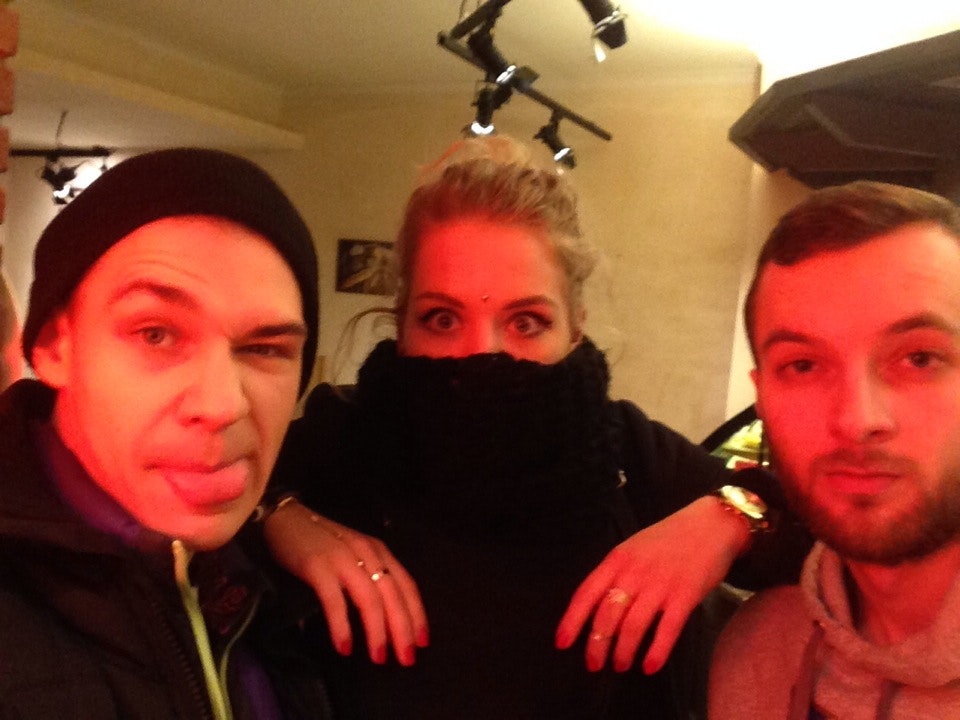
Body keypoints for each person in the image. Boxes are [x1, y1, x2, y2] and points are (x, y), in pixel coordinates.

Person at [261, 136, 803, 719]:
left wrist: (731, 520)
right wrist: (279, 516)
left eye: (525, 321)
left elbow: (828, 536)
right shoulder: (340, 439)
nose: (481, 354)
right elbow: (219, 495)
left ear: (574, 329)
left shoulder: (629, 455)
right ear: (402, 323)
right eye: (442, 319)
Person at [0, 148, 332, 719]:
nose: (222, 405)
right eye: (155, 334)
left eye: (264, 349)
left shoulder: (273, 590)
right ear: (54, 346)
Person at [709, 181, 960, 719]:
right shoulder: (756, 657)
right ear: (762, 397)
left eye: (918, 358)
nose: (857, 421)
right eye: (803, 366)